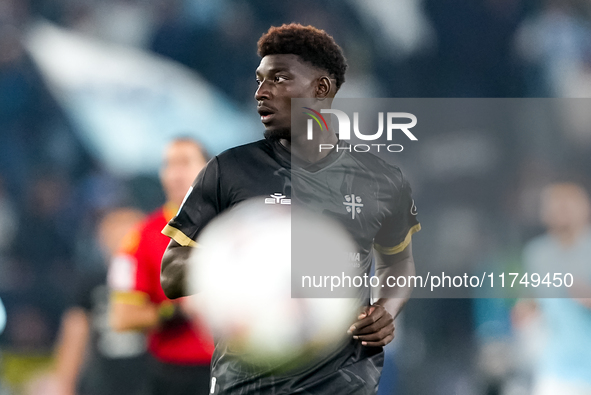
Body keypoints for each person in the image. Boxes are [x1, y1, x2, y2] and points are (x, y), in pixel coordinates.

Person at [161, 23, 420, 395]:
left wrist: (386, 311)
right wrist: (242, 259)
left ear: (321, 89)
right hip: (246, 382)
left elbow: (399, 263)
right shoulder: (227, 170)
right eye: (259, 80)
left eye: (279, 79)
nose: (261, 92)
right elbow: (170, 275)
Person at [109, 138, 214, 395]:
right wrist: (178, 312)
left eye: (185, 163)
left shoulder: (235, 228)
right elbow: (122, 317)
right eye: (169, 165)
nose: (176, 173)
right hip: (173, 375)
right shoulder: (141, 237)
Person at [52, 207, 148, 395]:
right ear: (102, 240)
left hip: (150, 380)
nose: (121, 242)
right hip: (102, 382)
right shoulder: (91, 283)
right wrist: (65, 384)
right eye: (113, 235)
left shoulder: (159, 282)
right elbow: (74, 337)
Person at [514, 182, 591, 395]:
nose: (561, 211)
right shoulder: (537, 254)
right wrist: (526, 309)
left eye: (567, 205)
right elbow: (533, 298)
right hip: (555, 370)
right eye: (555, 206)